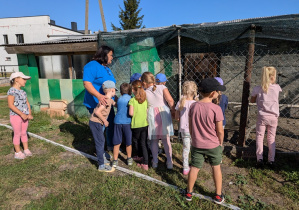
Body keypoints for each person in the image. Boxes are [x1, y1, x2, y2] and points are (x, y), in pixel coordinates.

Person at [185, 78, 226, 204]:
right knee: (216, 167)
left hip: (197, 144)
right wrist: (220, 142)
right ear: (213, 93)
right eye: (218, 91)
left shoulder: (193, 106)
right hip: (213, 145)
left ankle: (188, 192)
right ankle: (218, 195)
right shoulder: (216, 109)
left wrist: (193, 137)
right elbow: (220, 130)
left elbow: (191, 126)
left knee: (194, 168)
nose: (219, 93)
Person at [83, 45, 116, 152]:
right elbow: (87, 83)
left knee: (110, 123)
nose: (112, 57)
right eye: (110, 55)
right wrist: (98, 96)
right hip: (97, 104)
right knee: (99, 127)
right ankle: (99, 150)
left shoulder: (106, 68)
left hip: (108, 104)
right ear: (104, 55)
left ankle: (110, 146)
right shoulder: (91, 66)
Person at [141, 72, 174, 169]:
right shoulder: (162, 87)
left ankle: (155, 161)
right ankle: (169, 162)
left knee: (154, 140)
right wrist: (172, 111)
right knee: (166, 139)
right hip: (163, 114)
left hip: (152, 115)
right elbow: (170, 101)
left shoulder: (144, 91)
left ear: (144, 82)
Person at [250, 66, 282, 168]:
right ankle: (271, 160)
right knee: (271, 138)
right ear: (272, 77)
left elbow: (252, 100)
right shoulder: (277, 87)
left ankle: (259, 159)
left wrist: (257, 97)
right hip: (274, 117)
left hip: (262, 117)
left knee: (259, 136)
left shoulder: (257, 89)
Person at [89, 81, 117, 172]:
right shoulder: (106, 101)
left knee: (101, 140)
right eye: (115, 91)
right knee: (100, 142)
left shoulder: (108, 99)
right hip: (95, 122)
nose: (115, 92)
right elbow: (97, 112)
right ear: (112, 90)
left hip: (97, 123)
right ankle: (101, 165)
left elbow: (114, 103)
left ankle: (102, 155)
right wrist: (105, 120)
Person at [7, 72, 33, 159]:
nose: (25, 81)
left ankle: (26, 149)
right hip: (16, 116)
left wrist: (29, 113)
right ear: (16, 79)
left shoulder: (23, 92)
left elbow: (27, 103)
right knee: (17, 133)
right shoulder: (11, 91)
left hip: (25, 116)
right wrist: (21, 114)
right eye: (24, 79)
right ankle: (17, 152)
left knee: (24, 132)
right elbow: (11, 105)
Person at [175, 81, 198, 175]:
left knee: (186, 148)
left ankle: (185, 167)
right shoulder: (196, 104)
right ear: (194, 91)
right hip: (194, 130)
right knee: (195, 147)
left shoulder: (180, 102)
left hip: (184, 129)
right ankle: (195, 165)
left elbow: (176, 117)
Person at [129, 80, 149, 170]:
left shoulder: (132, 100)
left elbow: (131, 113)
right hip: (145, 124)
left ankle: (138, 156)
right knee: (143, 142)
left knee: (136, 141)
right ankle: (146, 163)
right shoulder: (145, 100)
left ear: (133, 89)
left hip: (136, 125)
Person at [112, 83, 133, 167]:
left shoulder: (120, 99)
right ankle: (129, 158)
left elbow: (118, 105)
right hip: (127, 122)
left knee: (117, 142)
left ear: (120, 92)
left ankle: (115, 160)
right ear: (130, 91)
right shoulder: (131, 99)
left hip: (117, 122)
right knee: (128, 142)